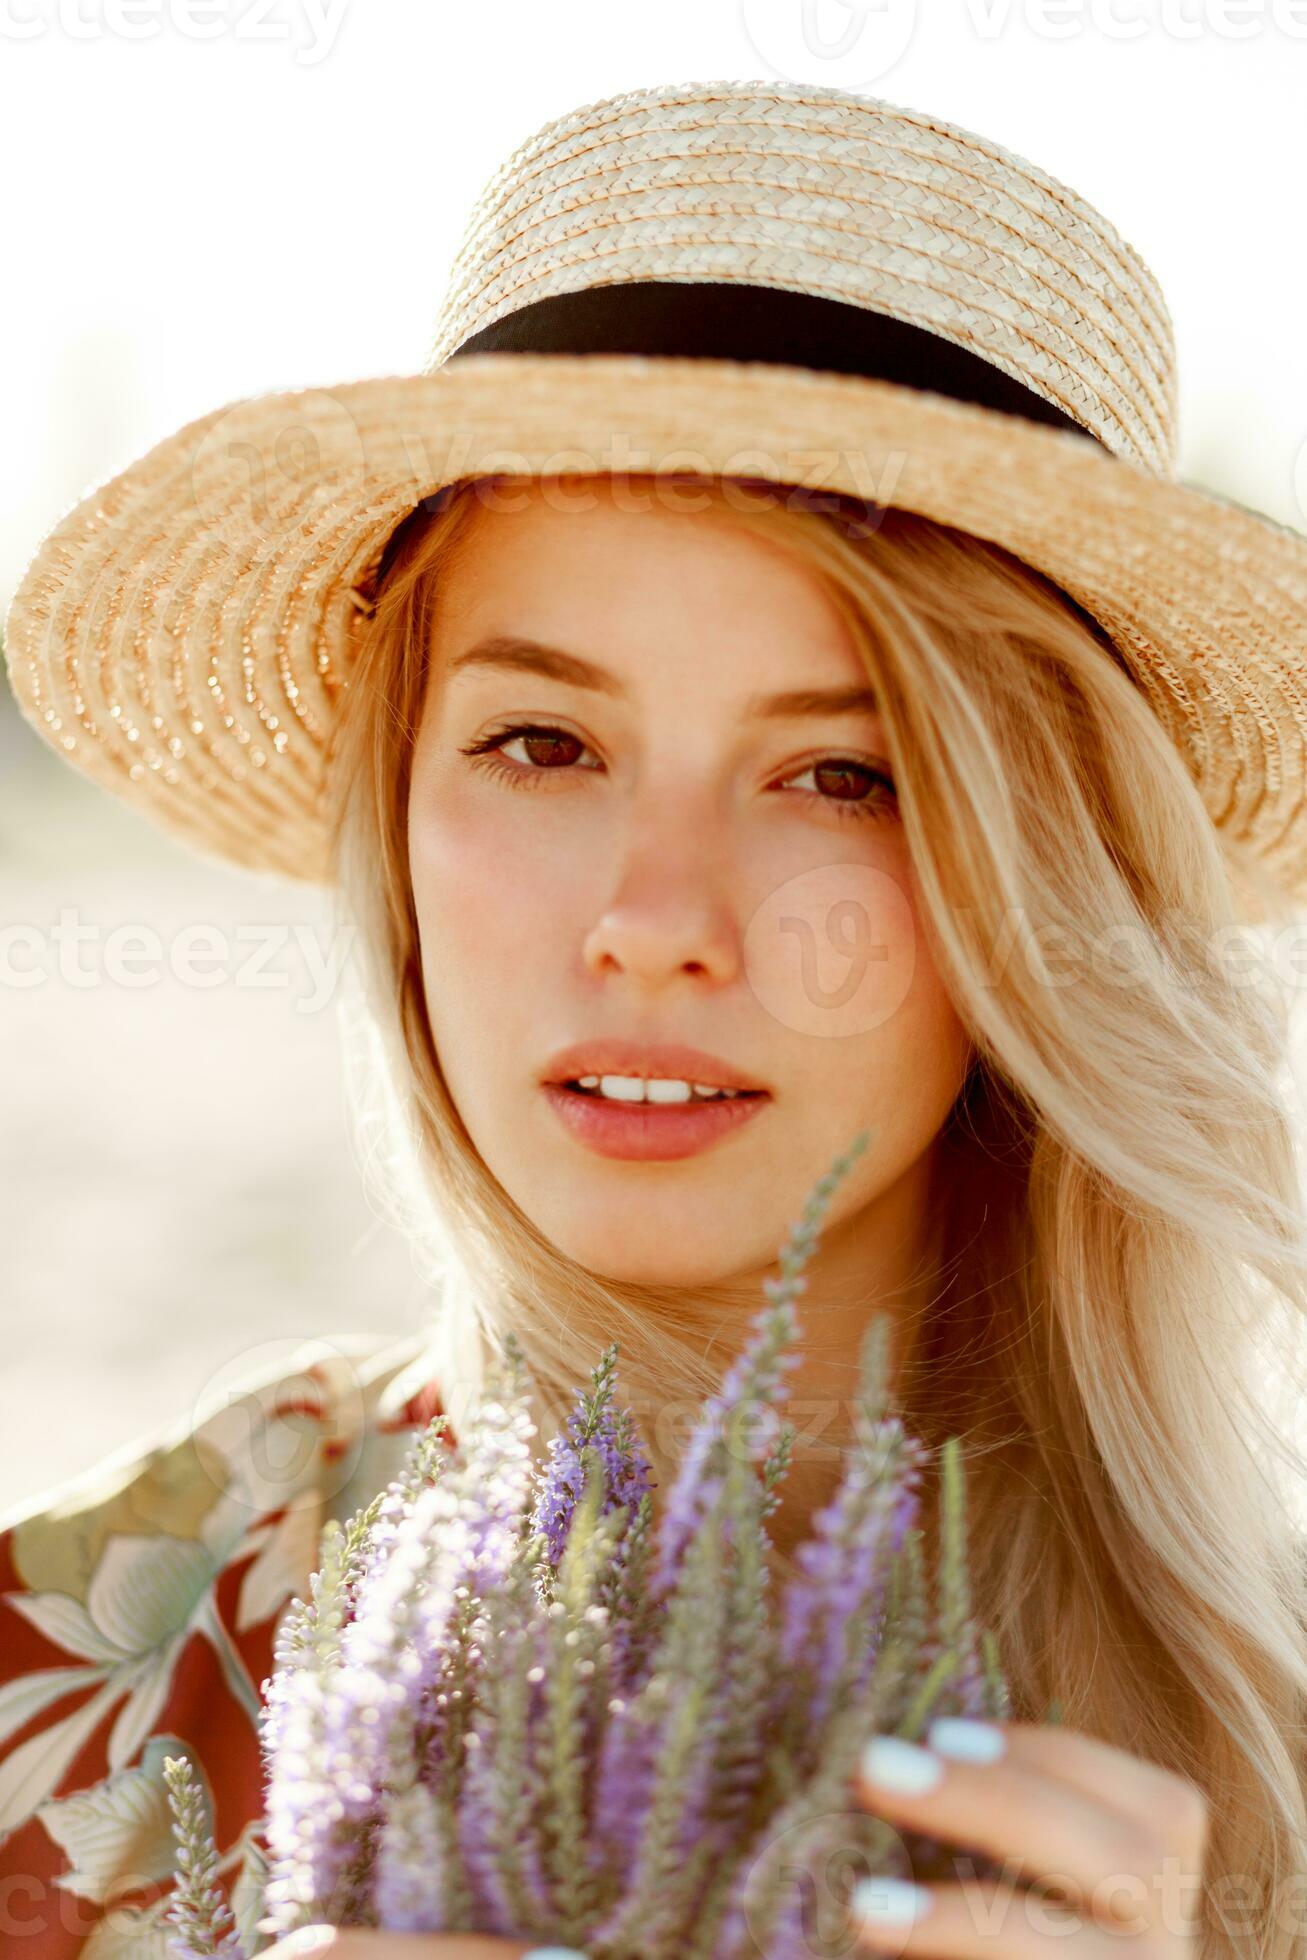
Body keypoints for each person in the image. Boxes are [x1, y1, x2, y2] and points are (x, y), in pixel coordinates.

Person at [2, 74, 1306, 1960]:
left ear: (1041, 886)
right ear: (400, 816)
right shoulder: (68, 1670)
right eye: (543, 742)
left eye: (845, 775)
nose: (657, 924)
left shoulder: (1263, 1757)